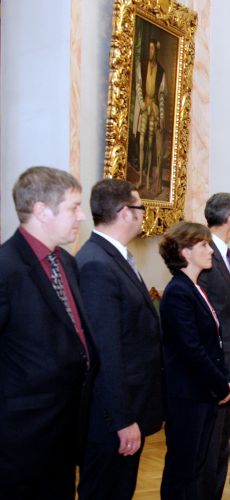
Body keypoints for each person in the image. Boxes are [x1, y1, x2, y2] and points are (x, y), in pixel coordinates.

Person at [0, 166, 95, 498]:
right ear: (41, 210)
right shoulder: (6, 268)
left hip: (66, 427)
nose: (81, 216)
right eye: (73, 207)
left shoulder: (65, 262)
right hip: (21, 437)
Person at [76, 179, 163, 500]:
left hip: (127, 407)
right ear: (126, 212)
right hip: (111, 417)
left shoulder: (111, 257)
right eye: (141, 207)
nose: (144, 215)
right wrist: (122, 419)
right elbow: (105, 351)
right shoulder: (96, 264)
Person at [158, 221, 230, 499]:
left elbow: (211, 343)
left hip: (202, 392)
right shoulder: (178, 291)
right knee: (182, 469)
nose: (210, 250)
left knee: (195, 465)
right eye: (203, 245)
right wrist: (220, 384)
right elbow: (191, 349)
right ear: (185, 252)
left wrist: (221, 380)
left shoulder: (194, 287)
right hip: (187, 395)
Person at [197, 193, 230, 500]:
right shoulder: (205, 254)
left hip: (229, 364)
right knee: (210, 445)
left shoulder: (224, 255)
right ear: (229, 219)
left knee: (220, 444)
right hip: (215, 368)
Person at [133, 38, 167, 193]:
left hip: (153, 108)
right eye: (149, 49)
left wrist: (161, 116)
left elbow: (161, 96)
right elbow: (139, 86)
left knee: (151, 144)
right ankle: (141, 177)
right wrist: (141, 103)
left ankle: (147, 179)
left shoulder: (161, 71)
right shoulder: (142, 65)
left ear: (156, 51)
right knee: (141, 141)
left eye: (153, 49)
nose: (150, 52)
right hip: (144, 106)